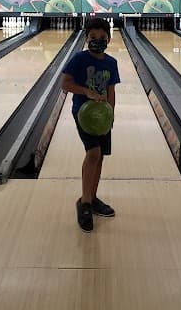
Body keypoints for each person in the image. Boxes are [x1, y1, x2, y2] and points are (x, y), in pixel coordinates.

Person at [61, 17, 120, 233]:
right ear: (86, 38)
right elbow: (65, 84)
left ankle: (92, 198)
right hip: (83, 114)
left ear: (109, 39)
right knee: (93, 154)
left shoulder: (111, 63)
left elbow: (111, 90)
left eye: (102, 38)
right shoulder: (79, 59)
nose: (97, 41)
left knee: (100, 156)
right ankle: (84, 203)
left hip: (103, 117)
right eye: (93, 37)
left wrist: (111, 114)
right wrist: (86, 91)